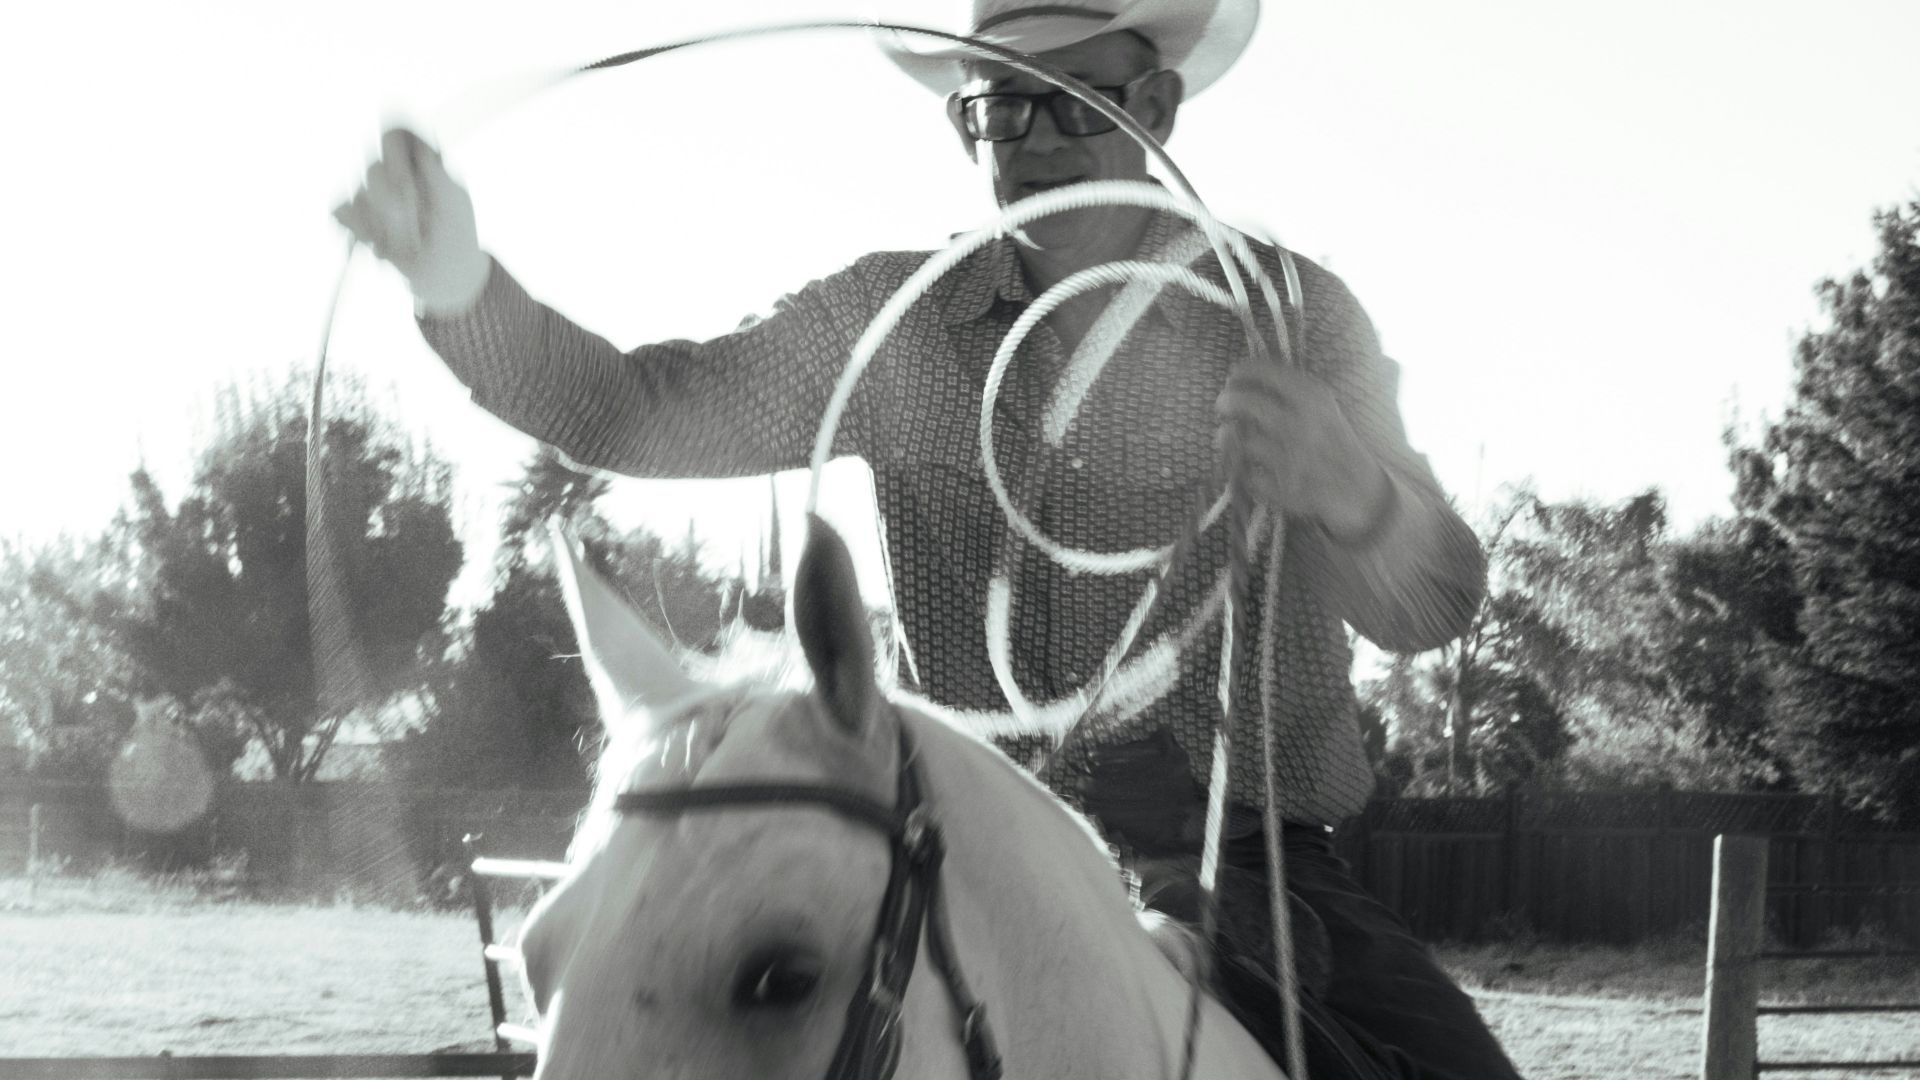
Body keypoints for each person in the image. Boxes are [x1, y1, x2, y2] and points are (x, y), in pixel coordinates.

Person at [336, 1, 1519, 1076]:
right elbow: (640, 412)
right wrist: (455, 281)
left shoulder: (1291, 316)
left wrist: (1353, 490)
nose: (1036, 136)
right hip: (959, 847)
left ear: (1153, 105)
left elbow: (1433, 605)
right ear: (968, 127)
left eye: (1077, 99)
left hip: (1260, 875)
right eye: (1002, 104)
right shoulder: (893, 331)